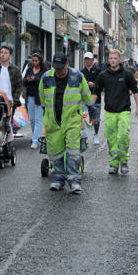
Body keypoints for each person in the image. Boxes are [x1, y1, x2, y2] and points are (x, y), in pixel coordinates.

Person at [39, 52, 94, 194]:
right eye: (56, 69)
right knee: (55, 151)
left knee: (73, 150)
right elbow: (43, 99)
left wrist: (92, 111)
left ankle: (75, 180)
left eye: (61, 69)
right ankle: (58, 178)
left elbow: (87, 95)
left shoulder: (77, 77)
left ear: (67, 65)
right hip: (53, 121)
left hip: (71, 120)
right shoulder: (46, 77)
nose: (58, 72)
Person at [93, 49, 138, 175]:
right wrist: (90, 107)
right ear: (108, 60)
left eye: (115, 58)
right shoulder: (103, 75)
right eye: (111, 58)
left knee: (123, 137)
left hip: (124, 111)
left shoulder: (127, 74)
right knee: (111, 139)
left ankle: (124, 161)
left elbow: (135, 91)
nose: (113, 60)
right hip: (109, 112)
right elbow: (96, 92)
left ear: (119, 59)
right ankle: (114, 164)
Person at [23, 52, 46, 149]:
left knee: (38, 120)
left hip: (40, 98)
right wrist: (27, 80)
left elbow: (44, 83)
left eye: (36, 61)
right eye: (33, 61)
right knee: (32, 119)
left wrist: (34, 79)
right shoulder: (29, 69)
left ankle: (35, 140)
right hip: (30, 97)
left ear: (40, 61)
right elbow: (23, 81)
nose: (34, 62)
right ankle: (36, 135)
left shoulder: (44, 71)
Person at [81, 51, 102, 145]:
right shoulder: (81, 72)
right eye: (86, 59)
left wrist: (95, 84)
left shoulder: (98, 71)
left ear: (92, 60)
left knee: (96, 118)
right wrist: (87, 83)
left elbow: (102, 83)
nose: (87, 61)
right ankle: (85, 138)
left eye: (89, 59)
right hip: (85, 100)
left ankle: (96, 134)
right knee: (85, 118)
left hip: (96, 99)